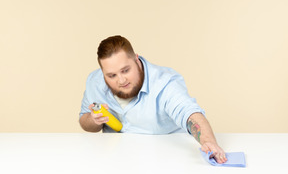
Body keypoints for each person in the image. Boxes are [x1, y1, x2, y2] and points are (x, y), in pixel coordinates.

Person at [79, 35, 227, 164]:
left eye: (125, 70)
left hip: (166, 161)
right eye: (111, 76)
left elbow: (189, 113)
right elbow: (84, 121)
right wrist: (93, 120)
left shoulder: (165, 82)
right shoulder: (95, 82)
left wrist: (208, 142)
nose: (121, 80)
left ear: (136, 60)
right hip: (115, 163)